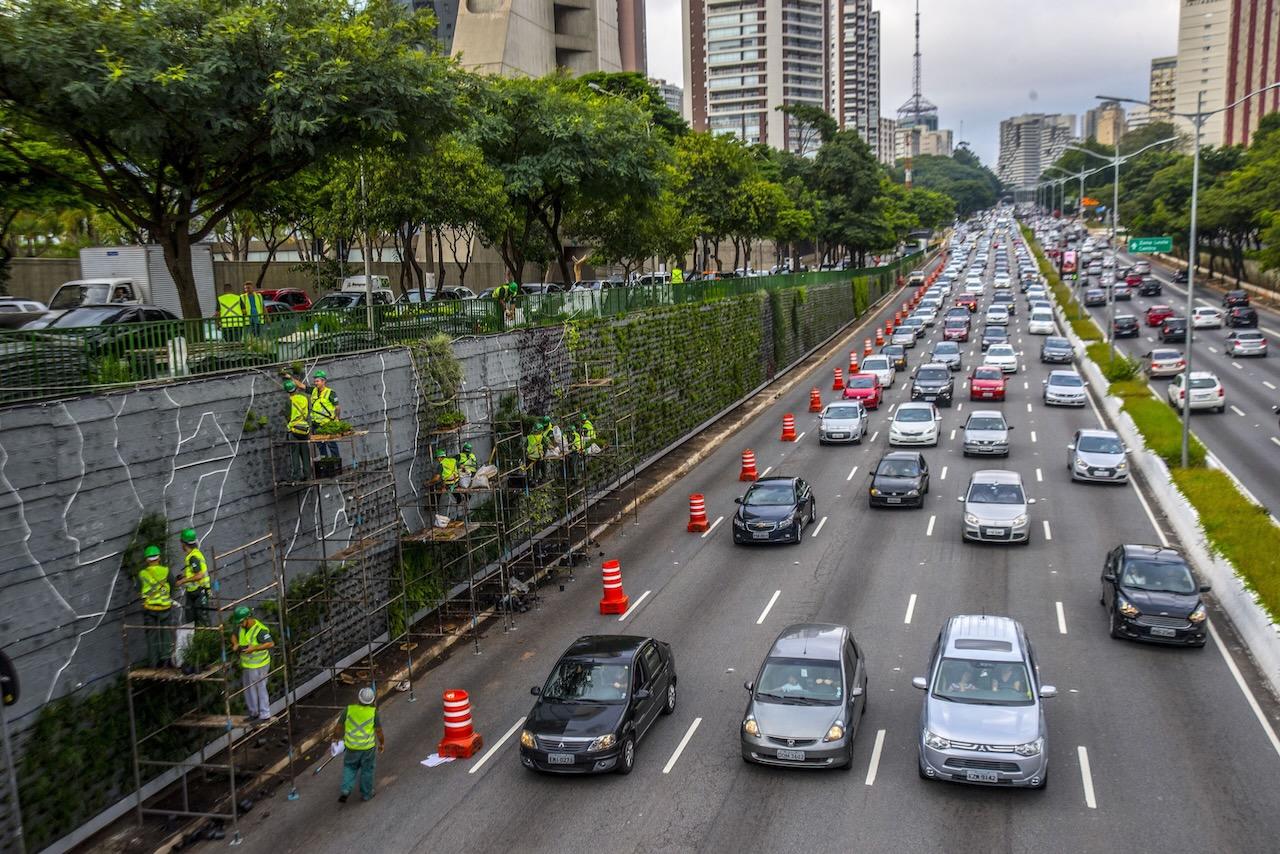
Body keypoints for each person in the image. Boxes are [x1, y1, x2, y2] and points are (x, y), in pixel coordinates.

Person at [333, 687, 384, 804]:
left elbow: (339, 727)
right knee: (367, 770)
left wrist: (335, 738)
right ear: (372, 700)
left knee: (349, 767)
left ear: (359, 698)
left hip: (351, 747)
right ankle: (366, 794)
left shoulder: (348, 709)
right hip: (368, 749)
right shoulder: (373, 713)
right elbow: (379, 731)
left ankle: (346, 788)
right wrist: (381, 743)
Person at [231, 606, 274, 724]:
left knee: (261, 687)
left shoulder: (259, 630)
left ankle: (265, 714)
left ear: (248, 618)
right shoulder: (241, 627)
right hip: (247, 665)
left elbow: (270, 643)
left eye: (241, 622)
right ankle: (253, 713)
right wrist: (235, 644)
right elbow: (234, 635)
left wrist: (254, 648)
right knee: (249, 689)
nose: (240, 625)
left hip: (260, 664)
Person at [138, 545, 174, 668]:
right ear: (159, 558)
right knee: (166, 634)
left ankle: (153, 663)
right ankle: (166, 661)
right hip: (165, 608)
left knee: (151, 635)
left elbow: (139, 590)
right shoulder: (166, 571)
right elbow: (172, 585)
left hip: (149, 609)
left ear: (147, 560)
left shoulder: (142, 574)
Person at [178, 528, 211, 627]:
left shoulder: (193, 557)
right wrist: (184, 577)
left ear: (184, 543)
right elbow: (195, 573)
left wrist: (183, 581)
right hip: (194, 592)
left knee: (202, 620)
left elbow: (199, 575)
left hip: (199, 591)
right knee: (192, 619)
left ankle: (207, 636)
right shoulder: (194, 554)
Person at [310, 369, 342, 461]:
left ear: (323, 381)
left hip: (327, 423)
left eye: (317, 381)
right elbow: (302, 386)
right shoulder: (314, 391)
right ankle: (324, 459)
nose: (315, 383)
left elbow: (337, 407)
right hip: (316, 423)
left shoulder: (330, 392)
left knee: (331, 443)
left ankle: (335, 460)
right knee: (320, 443)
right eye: (315, 381)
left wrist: (337, 418)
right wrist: (290, 377)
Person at [283, 380, 312, 481]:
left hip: (294, 429)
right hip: (304, 428)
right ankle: (307, 474)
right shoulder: (305, 398)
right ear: (296, 388)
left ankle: (296, 476)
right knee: (305, 452)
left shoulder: (289, 401)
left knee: (295, 453)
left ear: (287, 391)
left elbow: (288, 416)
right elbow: (308, 413)